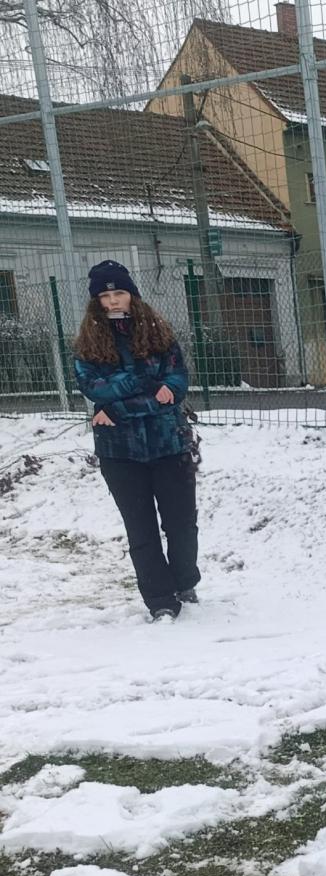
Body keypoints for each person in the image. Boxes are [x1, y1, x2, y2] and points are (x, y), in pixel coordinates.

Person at [72, 260, 200, 622]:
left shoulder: (160, 335)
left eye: (119, 293)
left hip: (169, 444)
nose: (113, 301)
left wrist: (117, 407)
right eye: (105, 295)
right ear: (96, 301)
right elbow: (93, 387)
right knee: (140, 529)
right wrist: (147, 384)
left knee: (181, 524)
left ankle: (185, 580)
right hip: (120, 452)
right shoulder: (87, 344)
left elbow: (176, 383)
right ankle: (160, 599)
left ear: (133, 295)